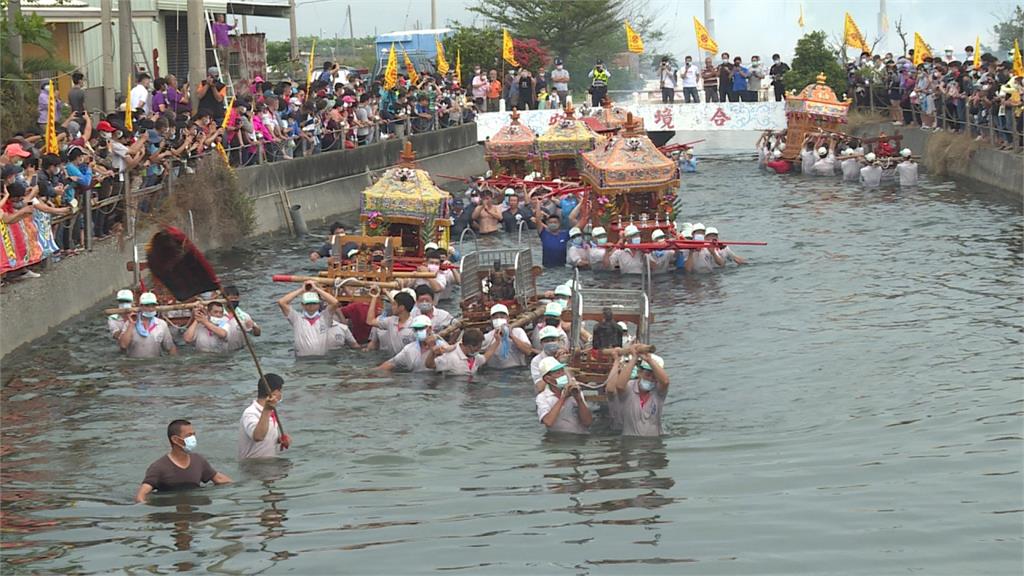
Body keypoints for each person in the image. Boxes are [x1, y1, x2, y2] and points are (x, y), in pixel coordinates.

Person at [135, 419, 232, 502]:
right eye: (189, 435)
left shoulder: (199, 460)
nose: (193, 438)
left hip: (195, 510)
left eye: (194, 434)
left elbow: (220, 479)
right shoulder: (159, 467)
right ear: (175, 440)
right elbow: (141, 496)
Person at [604, 349, 670, 437]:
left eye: (654, 377)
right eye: (647, 375)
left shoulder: (658, 391)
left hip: (653, 443)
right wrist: (634, 358)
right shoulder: (629, 388)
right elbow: (619, 386)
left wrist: (649, 360)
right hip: (630, 441)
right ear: (639, 372)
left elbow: (665, 382)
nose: (650, 379)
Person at [277, 282, 339, 357]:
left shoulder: (325, 317)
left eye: (314, 303)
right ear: (302, 305)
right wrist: (301, 290)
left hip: (321, 360)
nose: (311, 306)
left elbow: (335, 302)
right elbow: (282, 302)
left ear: (319, 304)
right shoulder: (297, 318)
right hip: (301, 361)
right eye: (308, 303)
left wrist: (317, 289)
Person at [239, 373, 291, 459]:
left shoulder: (270, 412)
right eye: (280, 391)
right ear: (274, 393)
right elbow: (258, 437)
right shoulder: (250, 413)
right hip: (253, 466)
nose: (281, 394)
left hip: (269, 462)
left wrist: (278, 439)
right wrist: (267, 409)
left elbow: (265, 437)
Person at [535, 357, 592, 434]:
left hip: (579, 437)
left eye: (563, 372)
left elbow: (587, 422)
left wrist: (579, 400)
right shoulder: (542, 397)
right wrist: (563, 398)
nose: (563, 375)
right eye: (558, 373)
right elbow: (548, 422)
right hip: (557, 439)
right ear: (548, 379)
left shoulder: (575, 391)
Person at [118, 292, 178, 357]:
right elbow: (123, 345)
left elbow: (170, 347)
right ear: (141, 306)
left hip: (156, 364)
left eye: (153, 305)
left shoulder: (161, 324)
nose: (150, 309)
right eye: (147, 305)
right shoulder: (129, 324)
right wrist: (131, 324)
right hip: (135, 365)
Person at [425, 327, 499, 376]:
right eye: (478, 348)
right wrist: (432, 353)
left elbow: (486, 356)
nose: (479, 350)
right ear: (470, 346)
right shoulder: (451, 357)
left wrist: (497, 341)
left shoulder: (474, 357)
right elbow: (430, 365)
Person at [482, 303, 534, 369]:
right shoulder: (488, 336)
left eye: (502, 317)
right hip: (496, 372)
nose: (499, 319)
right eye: (495, 317)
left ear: (508, 318)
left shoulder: (518, 332)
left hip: (517, 370)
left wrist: (511, 336)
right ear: (491, 320)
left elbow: (528, 351)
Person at [366, 288, 416, 356]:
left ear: (401, 308)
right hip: (392, 361)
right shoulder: (391, 321)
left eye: (394, 304)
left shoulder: (415, 325)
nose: (392, 307)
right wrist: (374, 297)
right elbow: (370, 321)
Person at [531, 197, 570, 268]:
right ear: (547, 223)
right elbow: (538, 219)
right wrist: (538, 204)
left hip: (562, 267)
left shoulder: (565, 234)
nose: (553, 224)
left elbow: (578, 227)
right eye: (551, 222)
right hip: (546, 267)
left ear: (559, 223)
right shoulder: (544, 234)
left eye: (555, 222)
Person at [223, 285, 261, 351]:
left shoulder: (243, 316)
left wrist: (254, 327)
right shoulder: (217, 313)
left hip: (240, 349)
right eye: (231, 298)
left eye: (236, 298)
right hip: (222, 351)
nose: (234, 301)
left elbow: (257, 333)